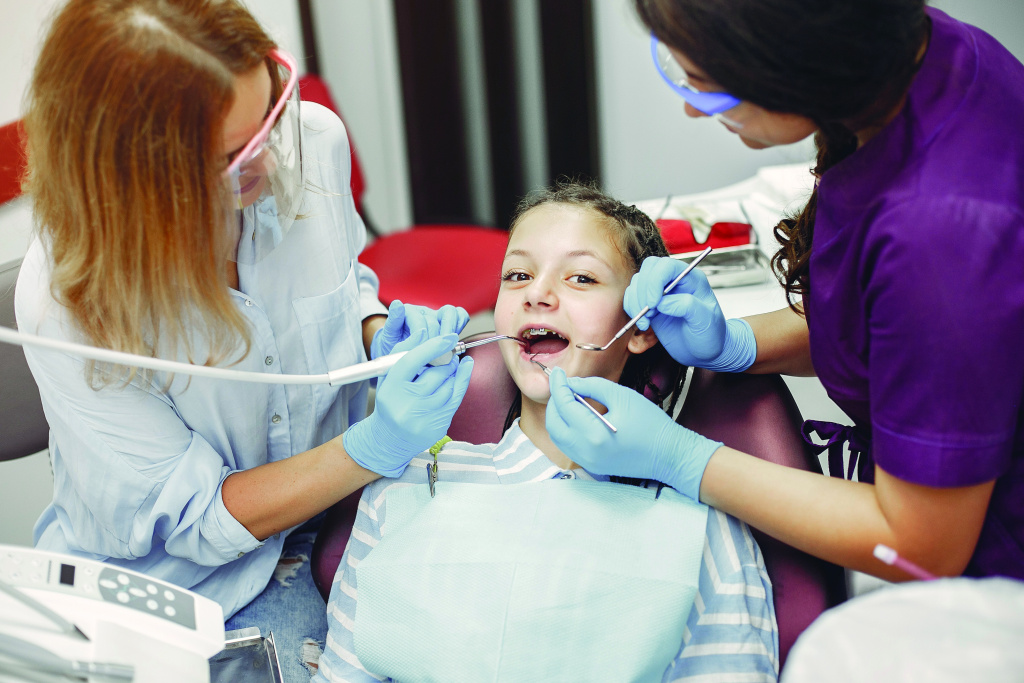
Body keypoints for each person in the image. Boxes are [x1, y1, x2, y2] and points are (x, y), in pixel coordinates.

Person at [15, 1, 471, 680]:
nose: (266, 161)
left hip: (340, 514)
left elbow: (344, 278)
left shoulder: (312, 141)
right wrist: (370, 447)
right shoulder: (71, 304)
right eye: (228, 158)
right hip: (195, 586)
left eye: (268, 116)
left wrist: (378, 332)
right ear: (133, 181)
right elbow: (198, 517)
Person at [545, 0, 1024, 585]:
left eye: (709, 85)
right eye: (517, 275)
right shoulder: (921, 50)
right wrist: (736, 345)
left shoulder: (943, 241)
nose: (694, 108)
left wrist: (681, 459)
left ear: (797, 67)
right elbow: (895, 329)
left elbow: (920, 546)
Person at [315, 182, 779, 683]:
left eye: (581, 277)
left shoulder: (702, 532)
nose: (537, 293)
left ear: (643, 325)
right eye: (518, 274)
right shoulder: (405, 490)